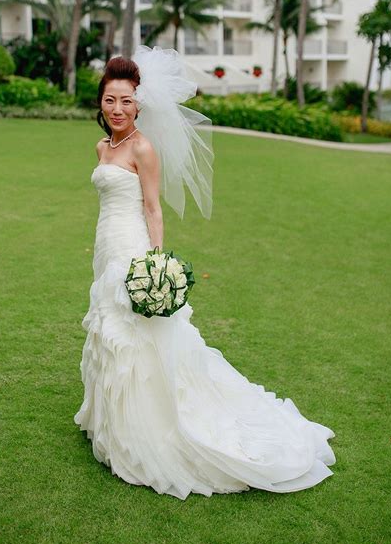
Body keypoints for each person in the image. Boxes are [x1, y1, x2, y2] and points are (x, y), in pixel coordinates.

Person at [74, 46, 336, 500]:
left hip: (133, 247)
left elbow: (153, 208)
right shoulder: (103, 146)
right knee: (108, 324)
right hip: (106, 243)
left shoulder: (142, 147)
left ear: (140, 104)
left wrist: (154, 263)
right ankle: (111, 421)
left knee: (137, 333)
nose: (117, 109)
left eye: (127, 101)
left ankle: (151, 427)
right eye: (110, 100)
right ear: (101, 102)